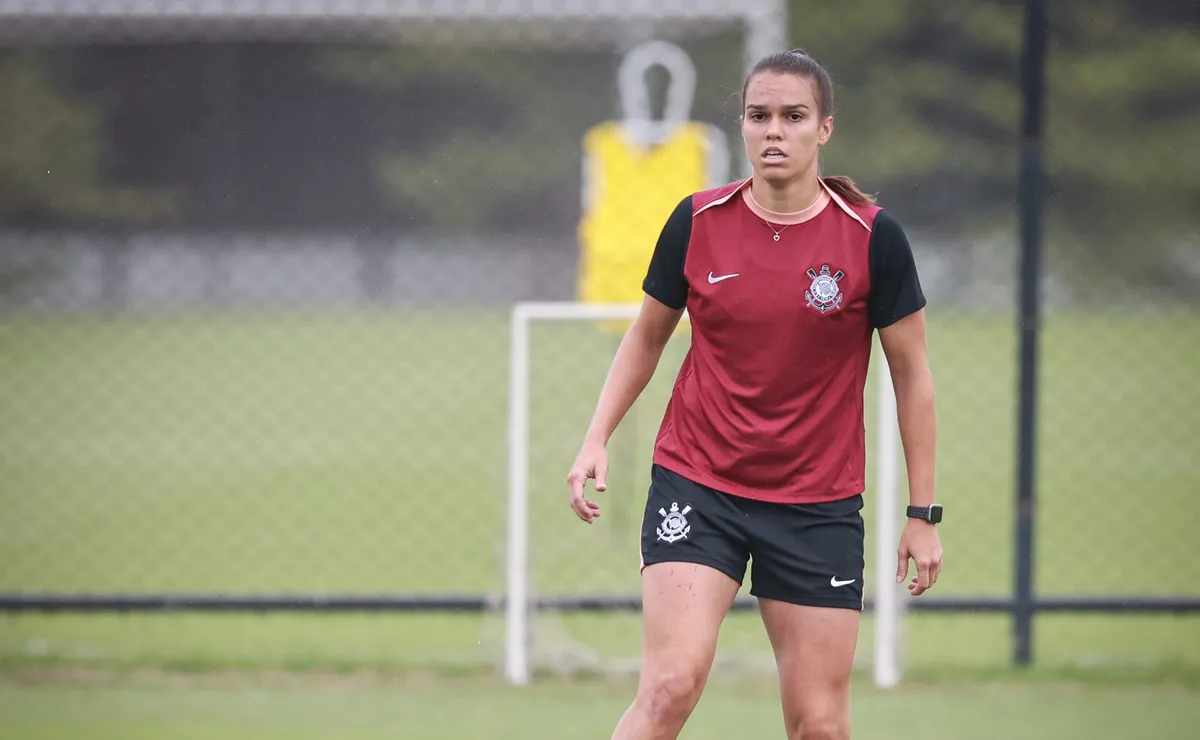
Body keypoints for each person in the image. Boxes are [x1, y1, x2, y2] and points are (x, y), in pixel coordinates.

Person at [565, 49, 942, 740]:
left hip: (816, 504)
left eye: (793, 117)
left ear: (823, 129)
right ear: (742, 126)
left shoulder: (872, 239)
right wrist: (596, 438)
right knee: (670, 686)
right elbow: (646, 337)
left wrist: (923, 511)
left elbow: (912, 374)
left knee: (820, 725)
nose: (774, 131)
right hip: (698, 484)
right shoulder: (698, 220)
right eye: (759, 115)